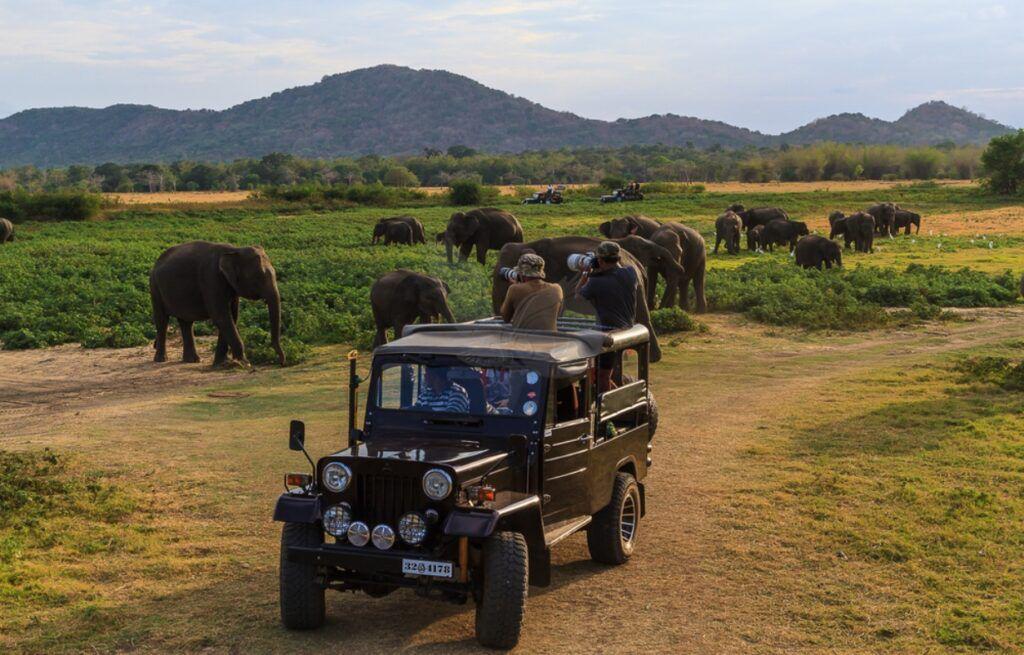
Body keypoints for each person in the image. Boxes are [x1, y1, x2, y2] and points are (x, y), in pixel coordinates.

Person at [575, 241, 638, 390]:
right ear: (618, 258)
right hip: (628, 328)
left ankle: (608, 402)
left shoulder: (595, 282)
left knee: (602, 376)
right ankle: (621, 397)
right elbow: (616, 275)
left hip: (608, 332)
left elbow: (577, 296)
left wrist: (586, 273)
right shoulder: (631, 273)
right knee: (600, 373)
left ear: (600, 261)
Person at [500, 253, 563, 331]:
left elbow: (505, 318)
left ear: (522, 273)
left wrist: (514, 288)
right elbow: (557, 314)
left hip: (522, 337)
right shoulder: (557, 289)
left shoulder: (514, 289)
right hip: (551, 337)